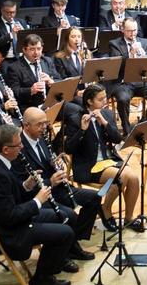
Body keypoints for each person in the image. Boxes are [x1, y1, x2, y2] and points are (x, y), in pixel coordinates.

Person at [0, 125, 76, 285]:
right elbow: (9, 216)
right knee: (64, 233)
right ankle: (40, 282)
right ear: (6, 149)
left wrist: (26, 185)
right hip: (7, 231)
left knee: (64, 216)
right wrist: (37, 201)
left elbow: (8, 195)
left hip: (12, 219)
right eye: (18, 145)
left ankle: (49, 274)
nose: (22, 148)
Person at [18, 106, 99, 254]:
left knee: (94, 198)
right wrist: (51, 181)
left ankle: (73, 242)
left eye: (45, 123)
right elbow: (24, 186)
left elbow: (47, 161)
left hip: (56, 189)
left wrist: (56, 164)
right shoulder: (18, 146)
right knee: (70, 214)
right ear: (26, 125)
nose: (44, 128)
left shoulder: (41, 138)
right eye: (39, 125)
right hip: (39, 195)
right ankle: (69, 246)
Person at [64, 84, 143, 232]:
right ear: (89, 101)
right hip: (89, 165)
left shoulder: (106, 114)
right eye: (100, 99)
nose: (105, 101)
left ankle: (129, 218)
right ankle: (105, 209)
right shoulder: (75, 119)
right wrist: (82, 130)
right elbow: (69, 148)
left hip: (108, 160)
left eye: (105, 97)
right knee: (121, 177)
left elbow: (118, 139)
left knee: (133, 178)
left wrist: (105, 124)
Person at [105, 18, 147, 129]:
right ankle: (127, 129)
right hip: (123, 82)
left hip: (142, 80)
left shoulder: (144, 42)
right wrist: (130, 54)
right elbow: (117, 66)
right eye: (129, 31)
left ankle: (143, 124)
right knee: (122, 99)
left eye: (135, 30)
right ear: (123, 30)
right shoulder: (114, 44)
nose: (133, 33)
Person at [2, 34, 59, 109]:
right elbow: (14, 91)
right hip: (30, 106)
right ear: (24, 50)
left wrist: (51, 81)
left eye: (39, 49)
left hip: (50, 103)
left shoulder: (47, 61)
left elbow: (59, 79)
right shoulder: (14, 68)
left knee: (74, 109)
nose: (36, 52)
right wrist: (30, 90)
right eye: (32, 49)